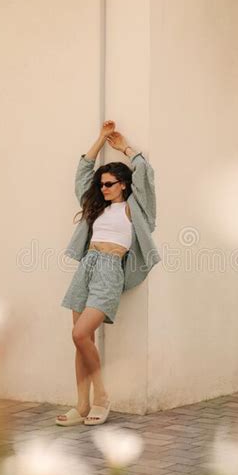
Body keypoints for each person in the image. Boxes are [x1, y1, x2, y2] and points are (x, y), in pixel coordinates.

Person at [56, 120, 161, 427]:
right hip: (87, 266)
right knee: (81, 339)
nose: (103, 188)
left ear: (124, 184)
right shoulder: (96, 206)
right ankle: (82, 404)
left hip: (110, 271)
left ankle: (101, 396)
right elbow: (83, 171)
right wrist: (100, 139)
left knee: (79, 334)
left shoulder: (135, 209)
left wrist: (125, 147)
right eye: (101, 184)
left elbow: (146, 173)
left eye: (109, 184)